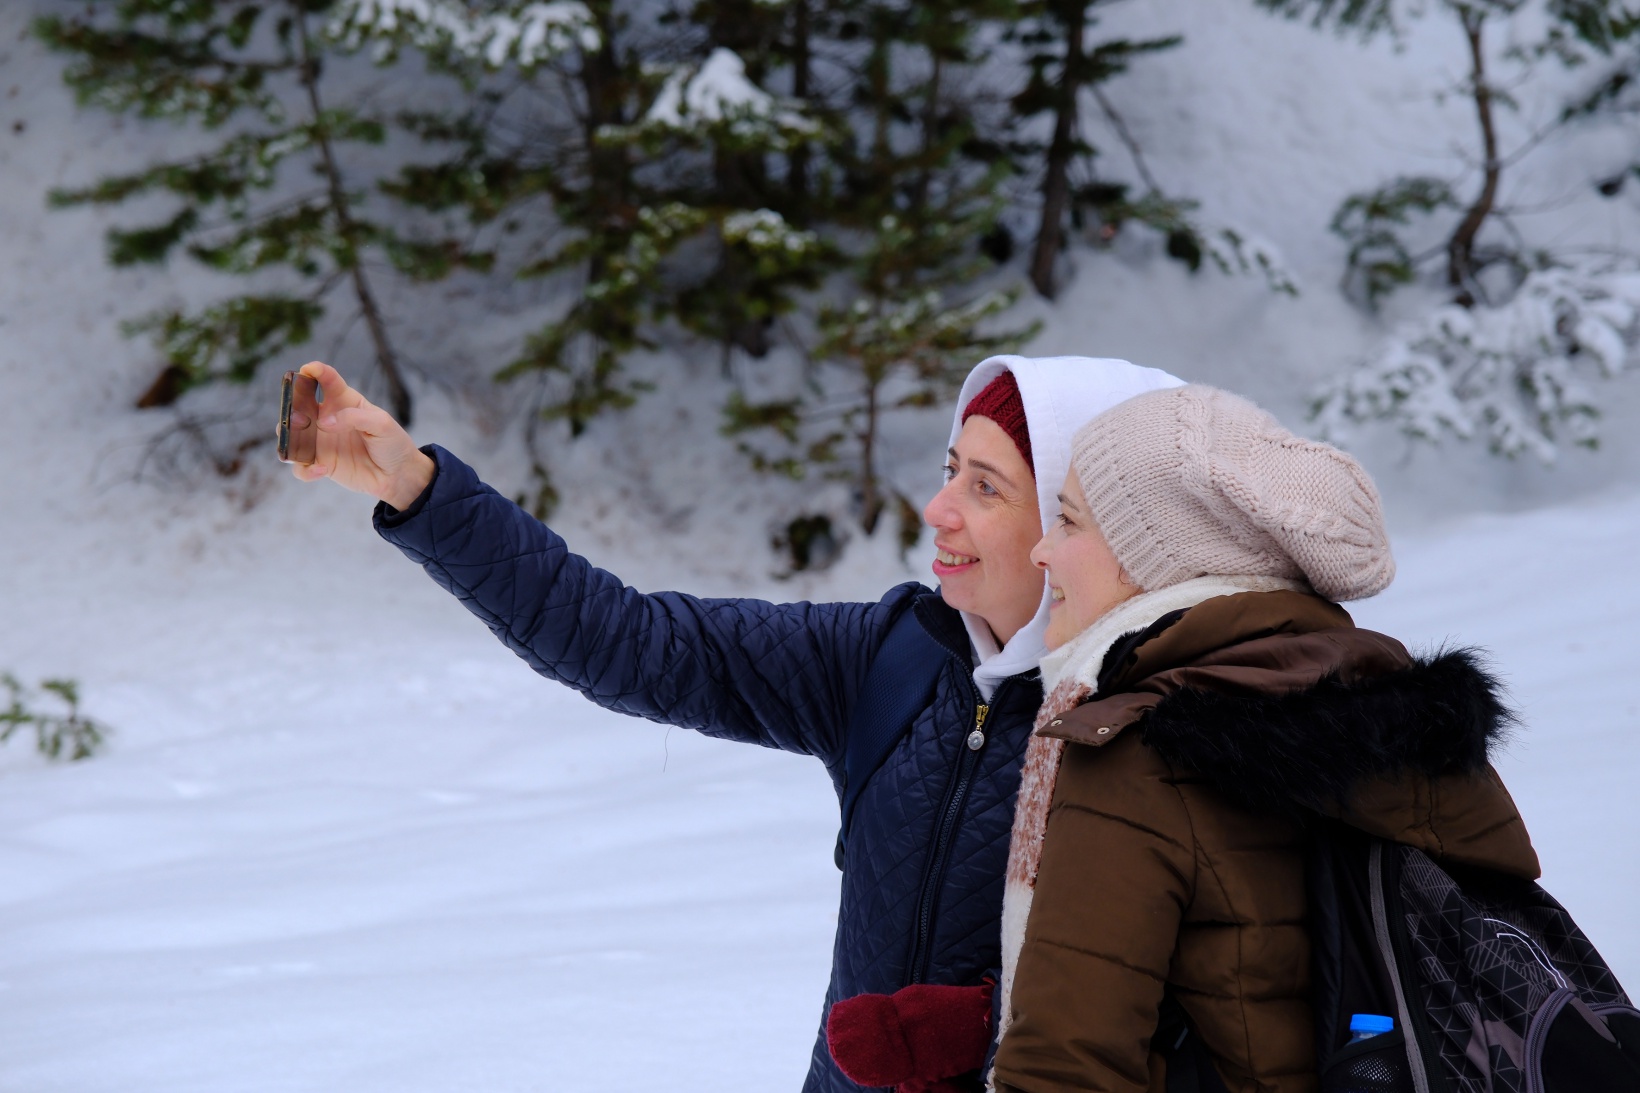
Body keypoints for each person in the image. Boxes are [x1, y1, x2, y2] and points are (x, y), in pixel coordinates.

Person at [287, 353, 1183, 1092]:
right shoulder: (894, 658)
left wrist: (979, 1034)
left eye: (987, 488)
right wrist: (418, 489)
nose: (938, 509)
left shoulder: (1164, 726)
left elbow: (1215, 1017)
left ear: (1082, 521)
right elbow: (627, 640)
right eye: (951, 469)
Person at [988, 385, 1540, 1093]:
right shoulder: (1397, 717)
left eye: (1067, 522)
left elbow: (1066, 1067)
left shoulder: (1138, 756)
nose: (1041, 550)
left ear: (1152, 558)